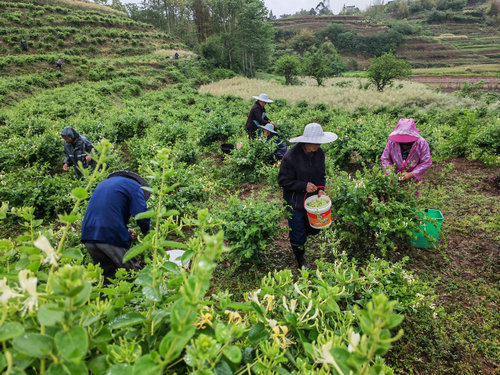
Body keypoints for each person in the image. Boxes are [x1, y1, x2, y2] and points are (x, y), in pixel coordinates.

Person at [278, 123, 337, 269]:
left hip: (312, 200)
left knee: (314, 229)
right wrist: (303, 186)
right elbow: (283, 181)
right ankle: (301, 260)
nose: (318, 145)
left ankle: (303, 233)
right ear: (306, 141)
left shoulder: (319, 154)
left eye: (319, 142)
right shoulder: (290, 157)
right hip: (295, 201)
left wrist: (321, 189)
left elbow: (321, 175)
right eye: (315, 142)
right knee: (298, 235)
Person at [81, 171, 151, 280]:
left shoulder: (104, 184)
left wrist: (125, 230)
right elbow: (141, 213)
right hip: (110, 235)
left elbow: (106, 211)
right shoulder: (135, 186)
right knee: (134, 274)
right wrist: (147, 232)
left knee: (109, 278)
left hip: (88, 235)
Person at [381, 118, 432, 197]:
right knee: (392, 199)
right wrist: (390, 172)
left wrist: (411, 174)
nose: (405, 145)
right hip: (393, 178)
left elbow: (426, 162)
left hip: (412, 180)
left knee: (410, 200)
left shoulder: (422, 143)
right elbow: (385, 158)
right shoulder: (392, 142)